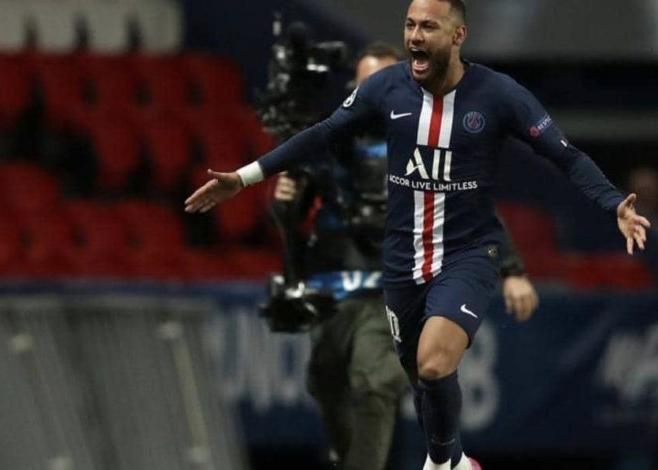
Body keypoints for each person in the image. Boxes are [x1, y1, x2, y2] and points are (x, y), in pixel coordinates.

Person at [184, 1, 651, 469]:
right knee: (423, 380)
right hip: (402, 260)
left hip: (468, 254)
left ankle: (442, 465)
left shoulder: (499, 94)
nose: (415, 36)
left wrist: (613, 203)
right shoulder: (386, 87)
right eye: (410, 25)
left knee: (433, 363)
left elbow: (565, 155)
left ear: (458, 35)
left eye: (429, 26)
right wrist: (243, 177)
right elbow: (324, 134)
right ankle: (456, 461)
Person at [268, 42, 538, 470]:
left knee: (374, 382)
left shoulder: (431, 142)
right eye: (367, 84)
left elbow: (473, 210)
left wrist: (513, 270)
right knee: (325, 381)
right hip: (335, 291)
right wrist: (286, 201)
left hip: (397, 288)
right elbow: (294, 220)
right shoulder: (330, 142)